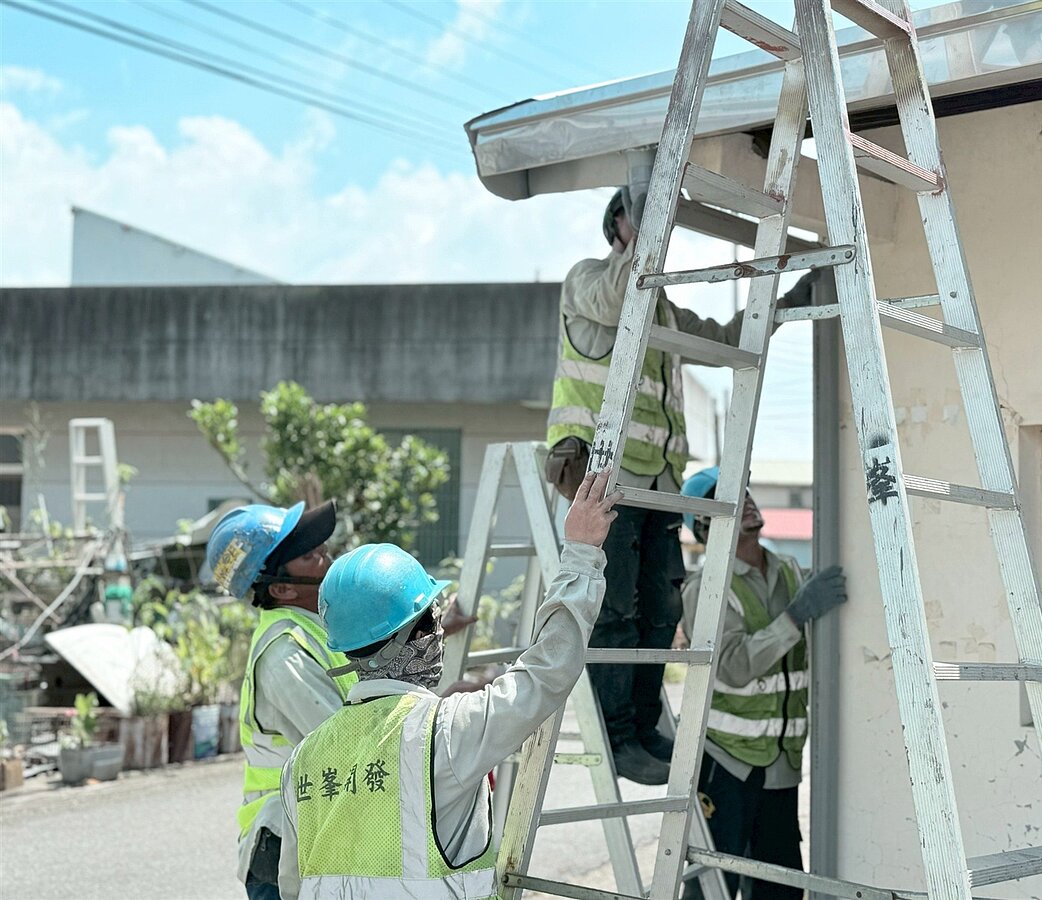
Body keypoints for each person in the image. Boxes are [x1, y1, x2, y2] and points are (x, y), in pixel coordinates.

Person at [544, 189, 818, 785]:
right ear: (616, 225)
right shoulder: (587, 280)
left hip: (656, 483)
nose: (655, 224)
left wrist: (793, 298)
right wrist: (639, 235)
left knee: (662, 608)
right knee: (615, 609)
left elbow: (727, 339)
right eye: (640, 213)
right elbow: (619, 295)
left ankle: (643, 728)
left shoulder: (664, 310)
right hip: (600, 474)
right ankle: (618, 736)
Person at [276, 470, 621, 900]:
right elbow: (548, 670)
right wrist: (581, 555)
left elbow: (292, 886)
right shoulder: (445, 733)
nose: (440, 633)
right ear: (414, 636)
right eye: (433, 621)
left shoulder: (302, 760)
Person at [678, 467, 847, 900]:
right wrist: (795, 616)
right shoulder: (707, 587)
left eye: (747, 492)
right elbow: (732, 665)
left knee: (781, 889)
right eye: (730, 495)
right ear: (705, 525)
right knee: (714, 886)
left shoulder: (788, 570)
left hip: (780, 762)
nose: (747, 500)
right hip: (726, 762)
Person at [208, 500, 356, 900]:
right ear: (282, 588)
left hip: (312, 840)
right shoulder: (284, 654)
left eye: (322, 548)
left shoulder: (319, 629)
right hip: (285, 851)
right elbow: (351, 744)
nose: (327, 559)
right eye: (310, 556)